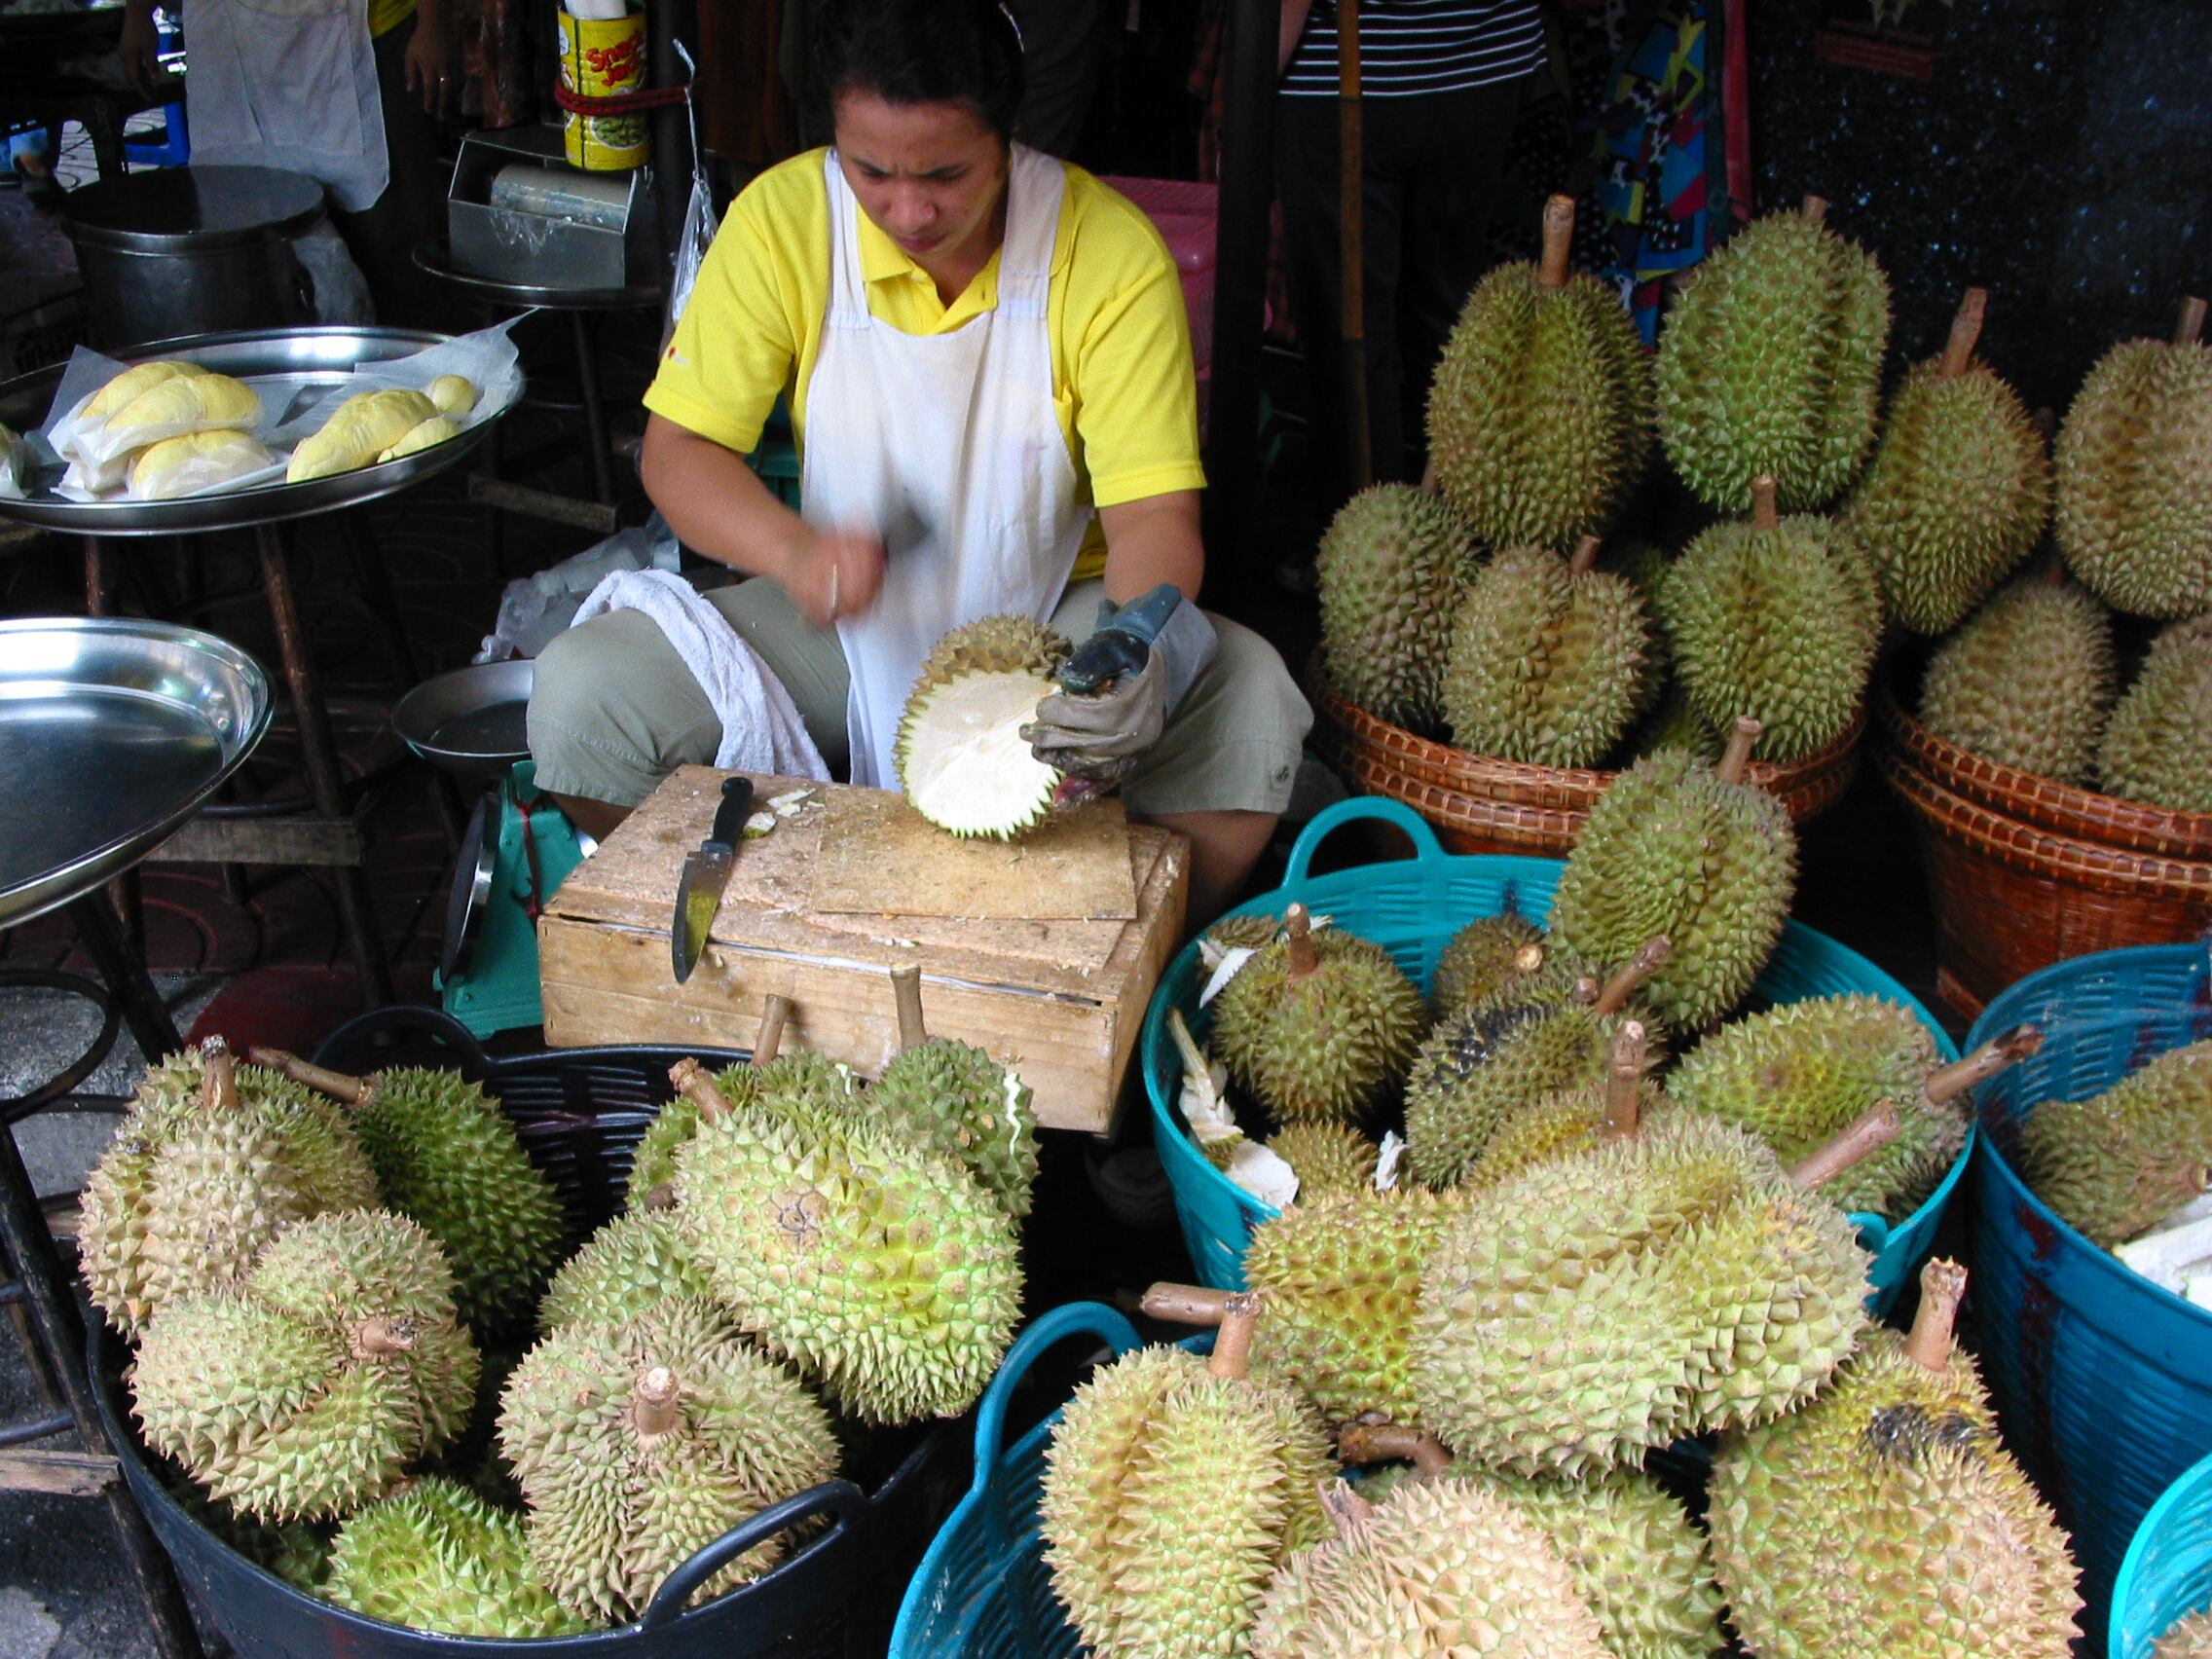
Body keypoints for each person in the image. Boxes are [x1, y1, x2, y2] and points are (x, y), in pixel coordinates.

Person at [529, 0, 1311, 924]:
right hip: (844, 615)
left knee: (1255, 701)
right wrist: (795, 552)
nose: (910, 210)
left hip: (1059, 613)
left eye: (946, 173)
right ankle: (793, 930)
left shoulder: (1105, 253)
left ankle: (1121, 968)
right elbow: (679, 454)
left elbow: (1154, 518)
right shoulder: (784, 222)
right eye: (872, 171)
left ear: (1008, 139)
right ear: (835, 138)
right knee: (585, 702)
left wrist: (1134, 649)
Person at [1275, 0, 1544, 520]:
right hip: (1488, 59)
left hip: (1355, 69)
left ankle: (1371, 544)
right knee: (1450, 316)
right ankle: (1458, 527)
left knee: (1350, 336)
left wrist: (1247, 96)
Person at [117, 0, 451, 323]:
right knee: (253, 250)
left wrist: (433, 23)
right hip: (228, 45)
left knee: (391, 244)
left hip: (368, 39)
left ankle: (414, 358)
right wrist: (137, 13)